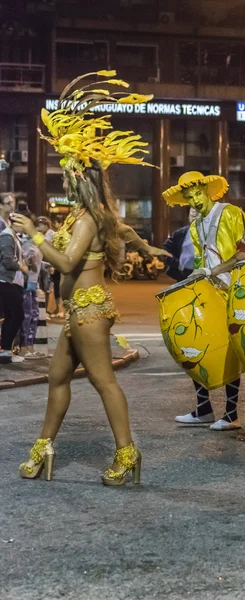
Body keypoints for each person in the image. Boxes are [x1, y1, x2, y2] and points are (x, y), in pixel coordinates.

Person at [14, 70, 168, 485]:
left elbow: (65, 265)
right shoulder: (97, 216)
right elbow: (125, 231)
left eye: (67, 174)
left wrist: (34, 234)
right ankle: (44, 446)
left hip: (88, 312)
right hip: (77, 313)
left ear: (79, 179)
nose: (63, 178)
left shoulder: (86, 218)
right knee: (57, 377)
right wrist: (144, 247)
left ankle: (127, 453)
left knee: (104, 382)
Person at [162, 171, 245, 431]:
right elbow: (202, 263)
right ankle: (204, 408)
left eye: (197, 194)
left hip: (235, 290)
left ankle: (231, 413)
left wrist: (212, 272)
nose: (194, 201)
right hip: (210, 292)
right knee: (198, 342)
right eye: (189, 197)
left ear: (208, 191)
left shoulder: (231, 213)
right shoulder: (195, 226)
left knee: (229, 353)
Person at [0, 208, 27, 363]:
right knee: (17, 315)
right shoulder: (7, 236)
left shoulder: (14, 236)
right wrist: (22, 267)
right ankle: (4, 351)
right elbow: (7, 260)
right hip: (4, 281)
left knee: (12, 316)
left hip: (11, 281)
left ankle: (5, 352)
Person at [20, 216, 44, 359]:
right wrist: (29, 261)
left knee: (34, 315)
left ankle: (30, 346)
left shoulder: (36, 244)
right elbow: (24, 262)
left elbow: (39, 263)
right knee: (27, 315)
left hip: (34, 283)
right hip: (26, 283)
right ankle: (24, 347)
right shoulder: (25, 243)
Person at [162, 208, 197, 282]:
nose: (194, 217)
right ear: (188, 217)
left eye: (197, 214)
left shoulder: (211, 233)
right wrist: (176, 264)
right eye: (192, 215)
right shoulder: (180, 233)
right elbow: (165, 249)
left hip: (204, 273)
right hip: (184, 273)